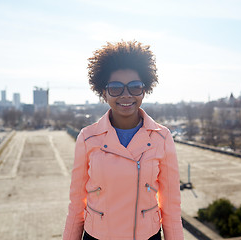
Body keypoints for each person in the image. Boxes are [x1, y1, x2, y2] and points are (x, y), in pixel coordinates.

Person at [63, 41, 184, 240]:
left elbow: (171, 207)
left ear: (144, 90)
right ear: (103, 92)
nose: (126, 95)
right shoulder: (87, 138)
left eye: (135, 87)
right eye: (116, 87)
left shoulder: (162, 138)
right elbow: (76, 204)